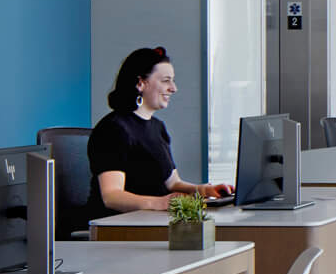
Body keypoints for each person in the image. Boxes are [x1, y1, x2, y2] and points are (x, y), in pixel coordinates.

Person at [86, 46, 232, 221]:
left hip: (153, 219)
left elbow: (172, 183)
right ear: (141, 83)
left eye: (172, 81)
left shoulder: (158, 127)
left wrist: (203, 190)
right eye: (166, 81)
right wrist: (160, 203)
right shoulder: (113, 129)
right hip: (119, 225)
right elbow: (112, 197)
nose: (173, 88)